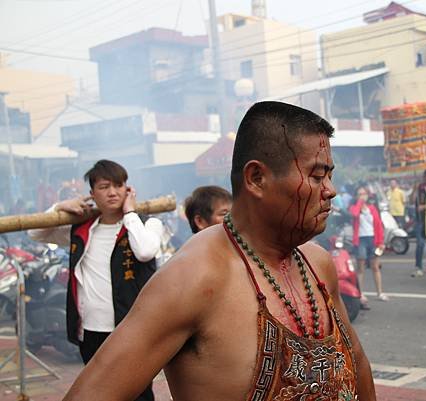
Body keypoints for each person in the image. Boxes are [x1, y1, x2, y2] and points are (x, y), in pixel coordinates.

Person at [62, 101, 376, 401]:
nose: (330, 190)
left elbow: (357, 363)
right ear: (256, 178)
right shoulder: (194, 278)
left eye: (330, 176)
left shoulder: (318, 264)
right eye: (317, 176)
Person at [29, 159, 162, 401]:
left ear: (128, 189)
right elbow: (35, 233)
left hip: (131, 329)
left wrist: (130, 212)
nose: (112, 192)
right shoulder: (81, 230)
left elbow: (145, 251)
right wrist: (60, 205)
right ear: (92, 193)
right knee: (99, 392)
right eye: (104, 186)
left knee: (138, 392)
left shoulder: (147, 223)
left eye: (119, 185)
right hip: (90, 330)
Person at [349, 186, 387, 307]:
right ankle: (360, 293)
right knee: (361, 268)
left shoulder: (372, 208)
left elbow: (379, 226)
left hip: (373, 240)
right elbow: (354, 214)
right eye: (360, 194)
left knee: (375, 267)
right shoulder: (354, 208)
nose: (362, 196)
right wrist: (360, 202)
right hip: (360, 240)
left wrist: (381, 242)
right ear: (356, 196)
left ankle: (380, 293)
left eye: (364, 194)